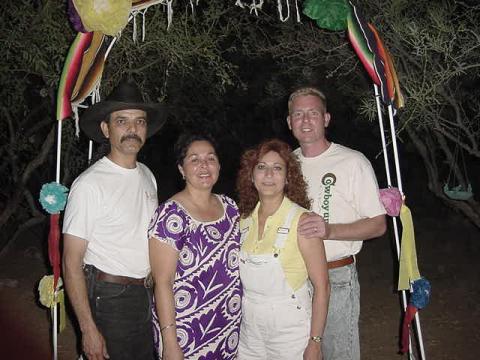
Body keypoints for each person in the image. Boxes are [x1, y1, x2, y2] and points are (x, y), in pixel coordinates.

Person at [62, 80, 166, 360]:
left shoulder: (147, 175)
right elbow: (71, 262)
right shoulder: (89, 184)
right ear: (106, 129)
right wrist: (88, 329)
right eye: (122, 121)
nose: (132, 129)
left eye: (139, 121)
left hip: (145, 294)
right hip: (110, 297)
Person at [286, 86, 387, 360]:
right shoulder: (285, 165)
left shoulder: (352, 162)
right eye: (298, 114)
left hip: (336, 276)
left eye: (313, 113)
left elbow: (378, 224)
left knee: (337, 355)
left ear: (326, 119)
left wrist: (329, 231)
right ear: (289, 122)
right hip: (292, 278)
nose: (305, 120)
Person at [148, 133, 242, 360]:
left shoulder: (230, 207)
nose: (204, 166)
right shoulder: (171, 215)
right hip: (185, 330)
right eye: (194, 159)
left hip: (228, 325)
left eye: (210, 158)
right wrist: (170, 343)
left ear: (219, 164)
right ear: (181, 169)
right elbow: (163, 283)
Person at [236, 139, 330, 360]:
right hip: (249, 330)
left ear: (288, 178)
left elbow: (322, 287)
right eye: (261, 167)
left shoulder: (302, 221)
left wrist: (315, 342)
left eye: (277, 168)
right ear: (251, 175)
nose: (269, 175)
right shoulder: (242, 220)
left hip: (291, 330)